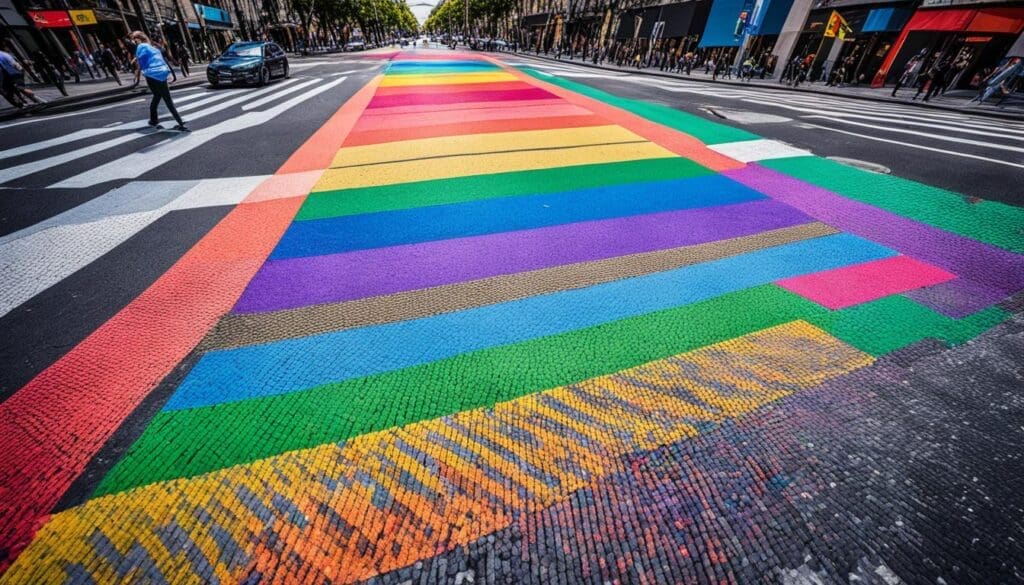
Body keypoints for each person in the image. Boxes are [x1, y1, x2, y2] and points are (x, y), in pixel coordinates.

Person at [129, 31, 187, 131]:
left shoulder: (141, 47)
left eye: (133, 39)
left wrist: (137, 77)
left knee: (159, 96)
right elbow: (160, 60)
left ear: (137, 39)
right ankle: (157, 120)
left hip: (151, 74)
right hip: (161, 73)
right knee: (163, 97)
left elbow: (141, 64)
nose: (132, 42)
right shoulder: (152, 47)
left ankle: (174, 120)